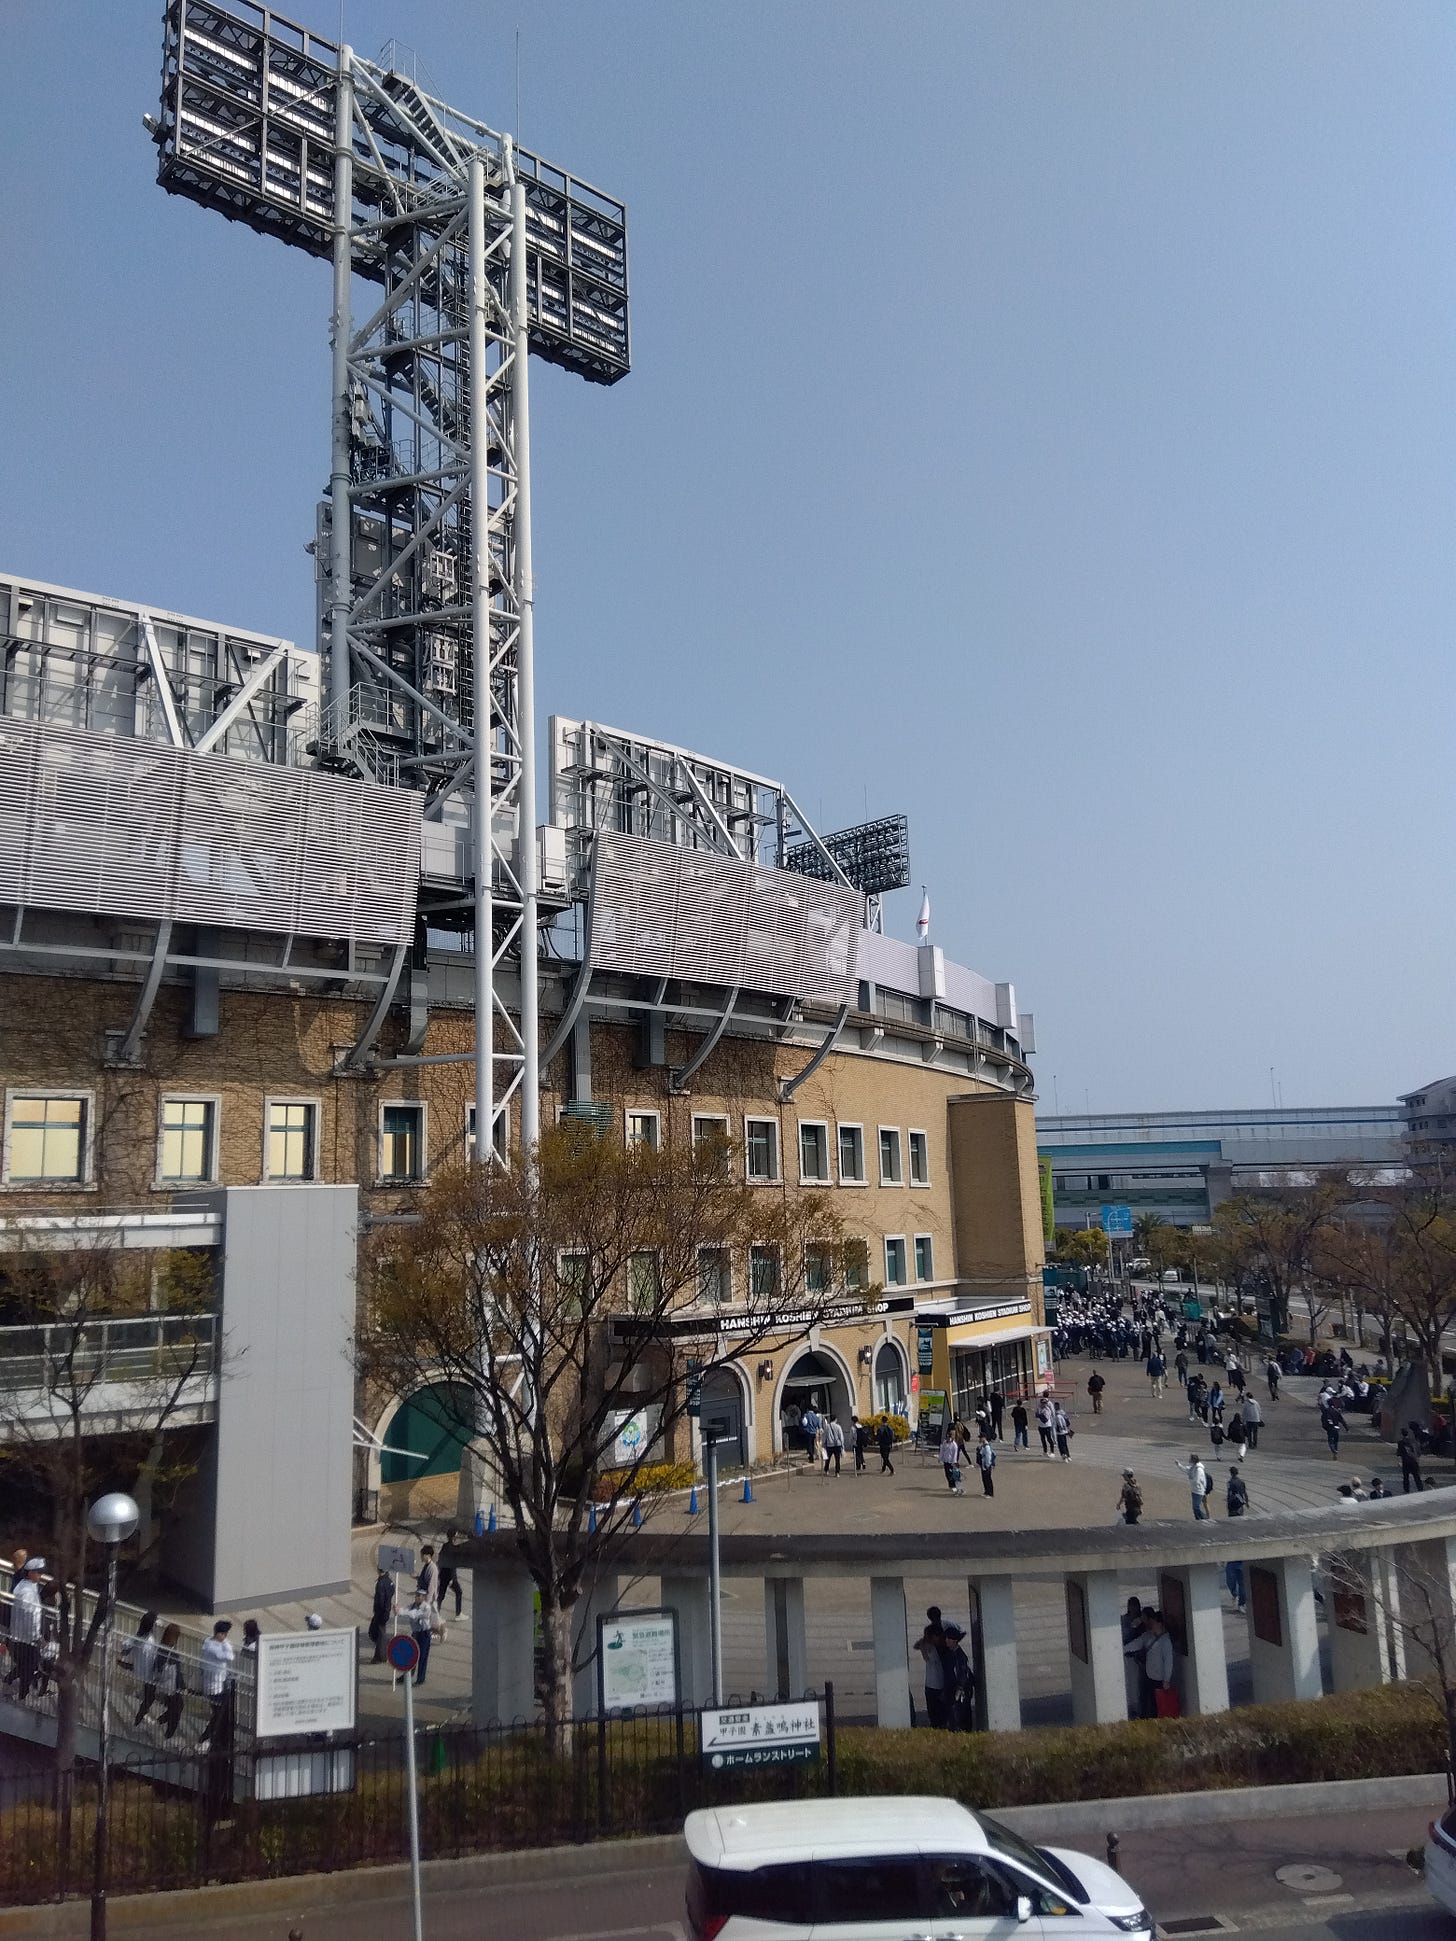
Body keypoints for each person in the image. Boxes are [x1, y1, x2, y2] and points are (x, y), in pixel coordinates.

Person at [5, 1558, 44, 1703]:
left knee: (26, 1665)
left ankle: (9, 1682)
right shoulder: (27, 1592)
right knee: (29, 1666)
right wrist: (36, 1636)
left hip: (20, 1636)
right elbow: (31, 1616)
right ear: (30, 1573)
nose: (40, 1575)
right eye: (38, 1572)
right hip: (27, 1638)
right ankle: (22, 1696)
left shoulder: (24, 1586)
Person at [199, 1619, 236, 1748]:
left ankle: (213, 1737)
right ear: (218, 1633)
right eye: (224, 1634)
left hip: (219, 1682)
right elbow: (229, 1657)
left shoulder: (209, 1641)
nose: (225, 1637)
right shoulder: (211, 1647)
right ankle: (206, 1737)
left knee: (220, 1713)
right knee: (219, 1713)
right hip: (214, 1686)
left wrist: (225, 1643)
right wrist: (226, 1644)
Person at [124, 1610, 161, 1726]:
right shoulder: (149, 1642)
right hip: (148, 1675)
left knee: (148, 1697)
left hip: (141, 1671)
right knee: (150, 1698)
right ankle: (138, 1719)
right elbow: (151, 1659)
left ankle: (140, 1716)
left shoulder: (138, 1636)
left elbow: (125, 1646)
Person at [914, 1607, 949, 1727]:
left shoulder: (936, 1649)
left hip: (936, 1685)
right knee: (936, 1712)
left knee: (936, 1713)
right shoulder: (942, 1630)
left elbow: (928, 1658)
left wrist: (923, 1646)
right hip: (933, 1684)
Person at [1143, 1610, 1178, 1716]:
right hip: (1151, 1677)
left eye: (1153, 1623)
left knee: (1159, 1705)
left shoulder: (1166, 1641)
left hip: (1160, 1680)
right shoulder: (1150, 1637)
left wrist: (1166, 1680)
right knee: (1153, 1704)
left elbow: (1168, 1661)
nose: (1151, 1625)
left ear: (1159, 1624)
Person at [1121, 1597, 1151, 1719]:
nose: (1133, 1608)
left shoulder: (1142, 1621)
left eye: (1135, 1606)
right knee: (1131, 1684)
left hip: (1142, 1656)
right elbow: (1123, 1636)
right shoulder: (1125, 1620)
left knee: (1141, 1685)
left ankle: (1141, 1709)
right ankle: (1133, 1707)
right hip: (1130, 1655)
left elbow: (1144, 1637)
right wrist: (1132, 1626)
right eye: (1131, 1606)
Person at [942, 1621, 974, 1730]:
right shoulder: (950, 1654)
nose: (946, 1640)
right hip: (952, 1691)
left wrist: (959, 1690)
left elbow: (962, 1674)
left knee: (959, 1719)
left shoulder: (960, 1656)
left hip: (960, 1693)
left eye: (948, 1638)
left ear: (955, 1640)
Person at [155, 1623, 185, 1739]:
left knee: (175, 1708)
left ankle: (160, 1721)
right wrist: (183, 1686)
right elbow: (177, 1672)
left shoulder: (161, 1648)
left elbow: (158, 1666)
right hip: (172, 1687)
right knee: (176, 1711)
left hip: (164, 1684)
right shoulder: (172, 1653)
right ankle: (168, 1734)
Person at [408, 1590, 435, 1686]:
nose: (417, 1597)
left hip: (424, 1633)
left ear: (423, 1597)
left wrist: (408, 1613)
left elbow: (420, 1614)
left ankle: (421, 1678)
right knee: (411, 1654)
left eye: (419, 1595)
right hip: (415, 1632)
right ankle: (408, 1674)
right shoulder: (413, 1605)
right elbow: (406, 1610)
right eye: (416, 1595)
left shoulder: (426, 1607)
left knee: (422, 1656)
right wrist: (398, 1610)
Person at [369, 1566, 395, 1662]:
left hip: (380, 1612)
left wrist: (377, 1612)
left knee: (378, 1634)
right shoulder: (389, 1581)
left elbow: (380, 1600)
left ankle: (380, 1656)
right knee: (380, 1633)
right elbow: (392, 1591)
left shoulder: (381, 1583)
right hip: (386, 1611)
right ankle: (381, 1654)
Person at [437, 1530, 465, 1617]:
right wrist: (452, 1579)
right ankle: (458, 1613)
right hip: (450, 1576)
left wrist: (439, 1572)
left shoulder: (445, 1546)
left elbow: (440, 1560)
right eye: (457, 1536)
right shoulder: (453, 1549)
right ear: (453, 1538)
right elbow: (452, 1565)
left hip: (443, 1574)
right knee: (459, 1592)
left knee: (441, 1595)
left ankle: (436, 1613)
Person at [1178, 1453, 1211, 1520]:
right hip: (1194, 1490)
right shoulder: (1193, 1467)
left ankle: (1203, 1517)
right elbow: (1186, 1469)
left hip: (1198, 1490)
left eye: (1190, 1458)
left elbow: (1197, 1480)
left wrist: (1191, 1479)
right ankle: (1199, 1518)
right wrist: (1179, 1465)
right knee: (1195, 1507)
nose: (1189, 1460)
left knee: (1196, 1507)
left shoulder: (1199, 1469)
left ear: (1193, 1460)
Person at [1399, 1425, 1425, 1494]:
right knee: (1417, 1477)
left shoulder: (1401, 1443)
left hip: (1406, 1462)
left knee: (1406, 1477)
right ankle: (1420, 1489)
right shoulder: (1415, 1441)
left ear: (1401, 1434)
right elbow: (1419, 1453)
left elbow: (1399, 1453)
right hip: (1415, 1461)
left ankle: (1406, 1490)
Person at [939, 1428, 965, 1495]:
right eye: (947, 1437)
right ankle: (951, 1486)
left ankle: (955, 1487)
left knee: (953, 1475)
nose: (948, 1439)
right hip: (946, 1461)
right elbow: (942, 1451)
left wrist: (954, 1463)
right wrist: (940, 1458)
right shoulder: (944, 1443)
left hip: (951, 1462)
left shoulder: (954, 1445)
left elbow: (955, 1455)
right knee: (947, 1474)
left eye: (949, 1437)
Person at [417, 1545, 441, 1610]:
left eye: (422, 1555)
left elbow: (431, 1587)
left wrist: (427, 1602)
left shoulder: (432, 1568)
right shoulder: (426, 1565)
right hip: (422, 1596)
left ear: (428, 1555)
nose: (421, 1557)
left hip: (428, 1600)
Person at [975, 1433, 996, 1497]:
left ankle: (990, 1493)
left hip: (986, 1466)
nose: (979, 1439)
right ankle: (986, 1491)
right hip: (983, 1465)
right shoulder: (983, 1446)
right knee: (984, 1479)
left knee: (988, 1479)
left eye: (980, 1438)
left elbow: (988, 1457)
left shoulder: (987, 1447)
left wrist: (987, 1465)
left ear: (984, 1438)